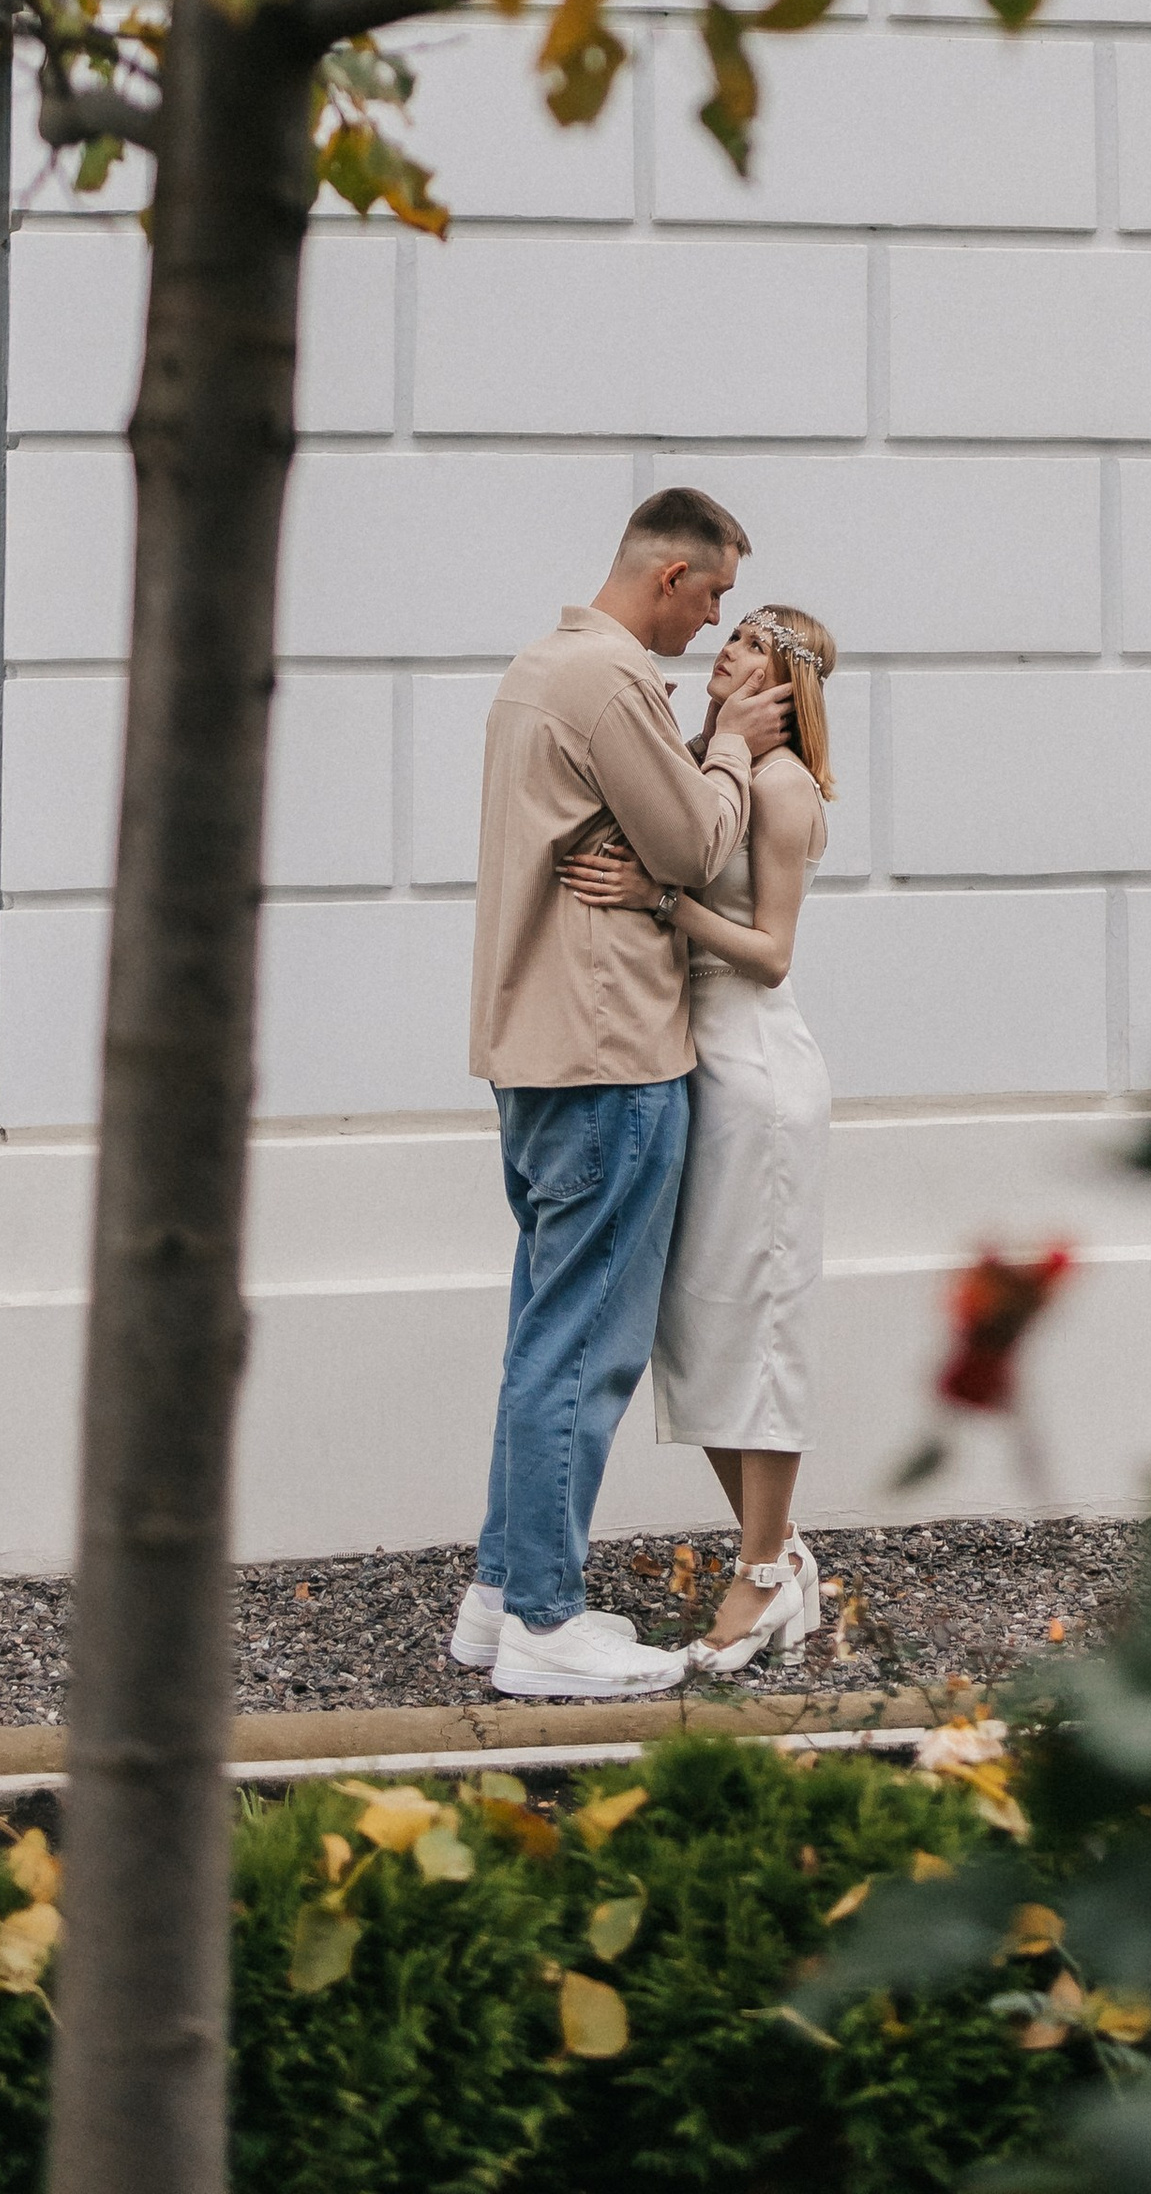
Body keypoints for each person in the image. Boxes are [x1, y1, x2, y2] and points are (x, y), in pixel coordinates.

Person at [448, 487, 791, 1702]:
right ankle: (545, 1621)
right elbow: (694, 846)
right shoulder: (608, 679)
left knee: (544, 1333)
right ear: (669, 576)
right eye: (714, 596)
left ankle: (500, 1595)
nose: (714, 626)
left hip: (539, 1052)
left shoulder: (538, 670)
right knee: (585, 1348)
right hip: (610, 1056)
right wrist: (733, 744)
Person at [563, 605, 836, 1676]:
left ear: (787, 684)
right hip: (699, 1068)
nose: (729, 651)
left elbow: (771, 952)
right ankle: (782, 1554)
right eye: (732, 637)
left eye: (754, 646)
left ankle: (762, 1573)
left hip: (757, 1072)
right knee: (703, 1324)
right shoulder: (714, 763)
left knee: (758, 1324)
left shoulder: (783, 786)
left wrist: (662, 900)